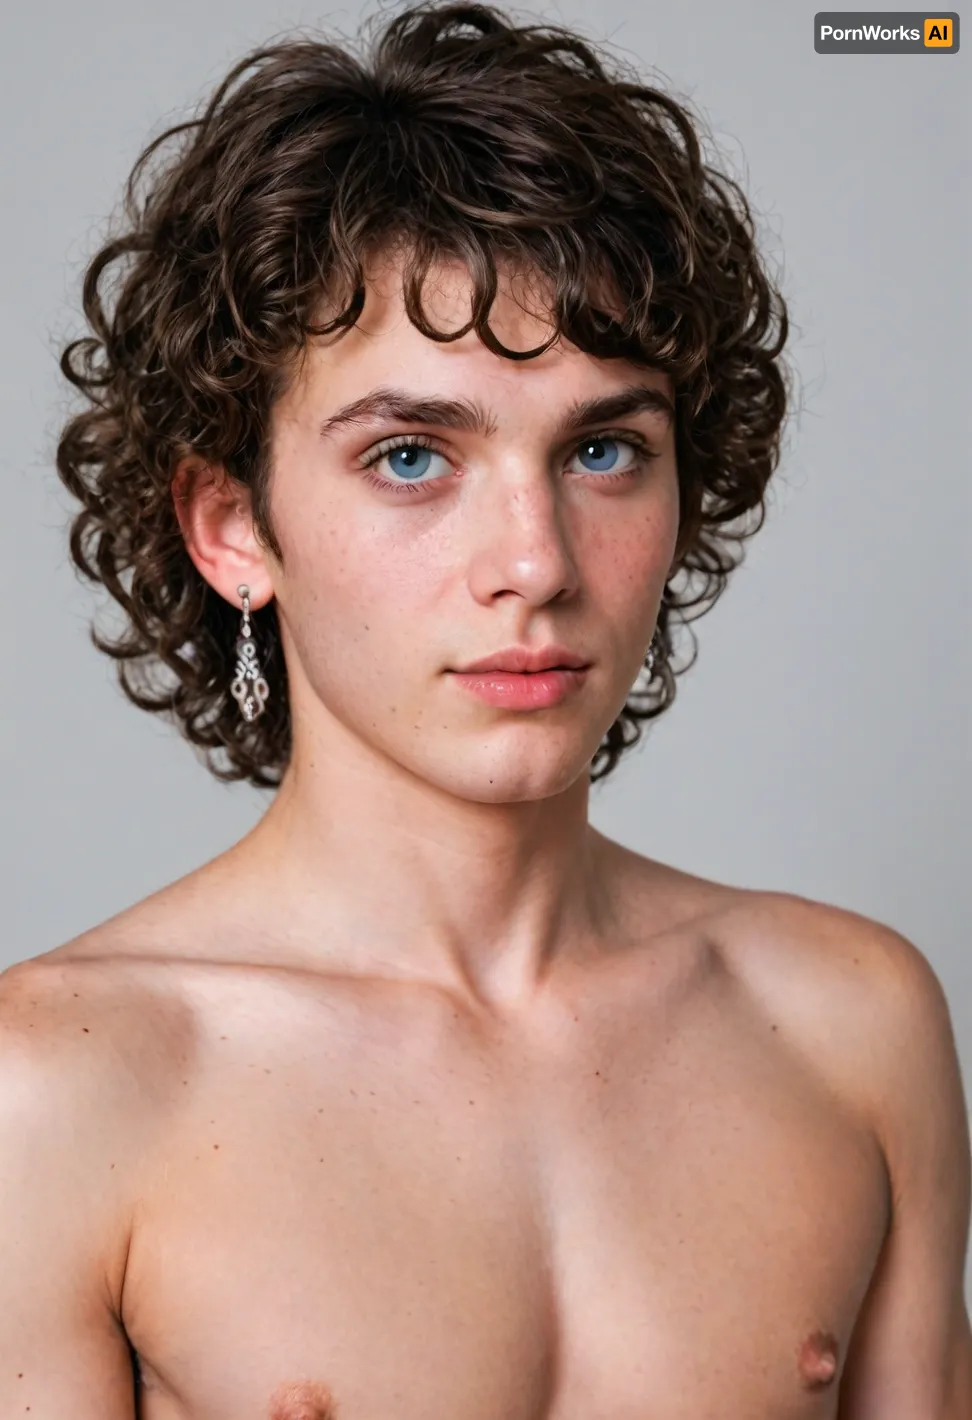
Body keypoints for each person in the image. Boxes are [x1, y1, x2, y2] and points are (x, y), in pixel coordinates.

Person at [2, 3, 969, 1417]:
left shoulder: (850, 1026)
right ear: (231, 526)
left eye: (603, 449)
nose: (537, 562)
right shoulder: (58, 1090)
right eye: (411, 456)